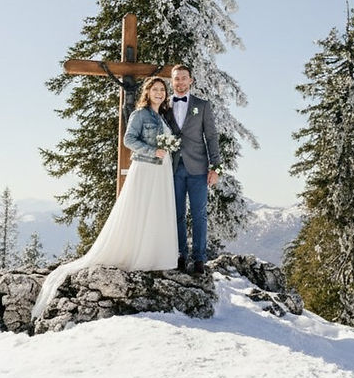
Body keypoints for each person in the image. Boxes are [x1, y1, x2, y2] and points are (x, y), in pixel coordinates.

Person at [31, 77, 178, 318]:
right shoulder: (140, 115)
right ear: (148, 92)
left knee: (157, 211)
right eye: (155, 89)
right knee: (140, 209)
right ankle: (138, 254)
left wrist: (167, 149)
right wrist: (154, 150)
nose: (160, 93)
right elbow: (128, 140)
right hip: (145, 167)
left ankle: (156, 254)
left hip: (161, 169)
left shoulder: (162, 117)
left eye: (163, 90)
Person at [162, 64, 221, 275]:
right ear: (172, 81)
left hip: (198, 168)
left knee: (199, 215)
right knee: (176, 214)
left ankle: (199, 259)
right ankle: (180, 255)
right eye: (176, 79)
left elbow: (211, 137)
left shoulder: (202, 106)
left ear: (191, 81)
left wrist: (215, 167)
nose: (180, 82)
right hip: (173, 168)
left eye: (184, 78)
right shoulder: (164, 106)